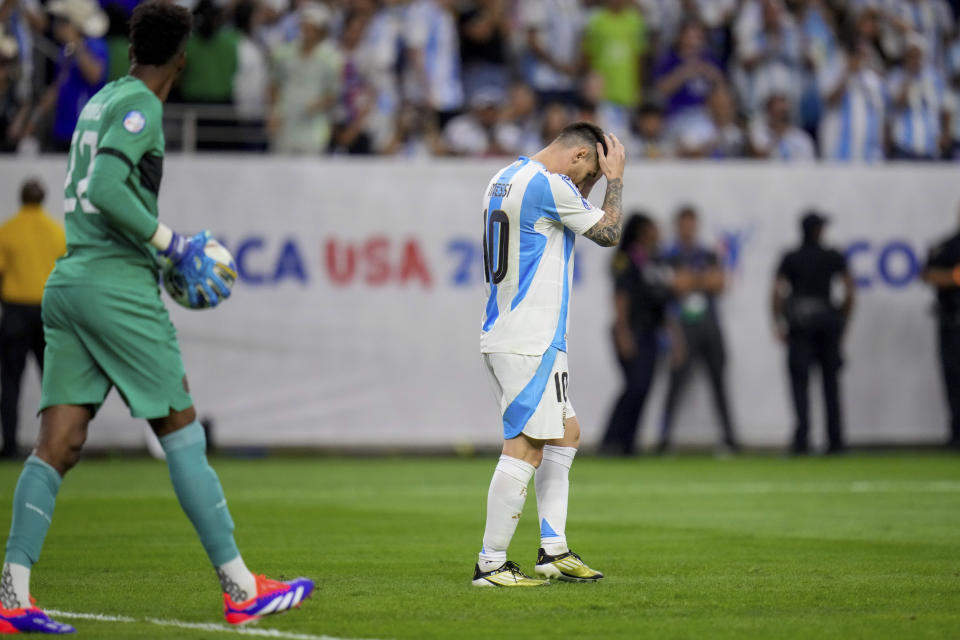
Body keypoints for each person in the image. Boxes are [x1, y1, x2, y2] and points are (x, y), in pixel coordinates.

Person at [0, 3, 313, 633]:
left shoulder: (104, 97)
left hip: (71, 281)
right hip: (116, 288)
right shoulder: (141, 108)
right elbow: (109, 189)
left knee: (58, 444)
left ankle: (12, 597)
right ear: (183, 58)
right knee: (180, 426)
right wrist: (170, 243)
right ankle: (240, 588)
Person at [474, 122, 625, 587]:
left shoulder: (505, 177)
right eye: (591, 173)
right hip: (529, 338)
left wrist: (593, 182)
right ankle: (491, 563)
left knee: (565, 433)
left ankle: (553, 550)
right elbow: (609, 232)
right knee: (526, 445)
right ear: (580, 155)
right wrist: (617, 180)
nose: (590, 185)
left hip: (517, 332)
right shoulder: (551, 185)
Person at [657, 206, 739, 454]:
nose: (689, 229)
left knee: (719, 382)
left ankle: (729, 439)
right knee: (675, 383)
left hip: (709, 326)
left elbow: (720, 282)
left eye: (692, 224)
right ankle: (664, 440)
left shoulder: (708, 253)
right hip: (683, 328)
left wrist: (691, 279)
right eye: (684, 224)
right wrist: (702, 279)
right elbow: (675, 285)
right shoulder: (668, 255)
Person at [601, 213, 684, 456]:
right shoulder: (625, 260)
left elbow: (663, 303)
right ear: (641, 232)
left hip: (651, 333)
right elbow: (621, 296)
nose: (658, 233)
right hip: (631, 331)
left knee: (644, 388)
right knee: (634, 386)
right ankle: (612, 439)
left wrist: (674, 336)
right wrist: (623, 331)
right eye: (652, 229)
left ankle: (629, 443)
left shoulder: (656, 262)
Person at [772, 211, 855, 455]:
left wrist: (778, 322)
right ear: (819, 230)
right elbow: (849, 289)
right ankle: (835, 440)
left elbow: (777, 292)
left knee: (800, 385)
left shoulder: (791, 257)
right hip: (827, 324)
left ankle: (802, 440)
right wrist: (842, 320)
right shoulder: (832, 256)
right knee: (830, 384)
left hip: (799, 325)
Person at [0, 179, 65, 460]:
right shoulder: (56, 232)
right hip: (47, 313)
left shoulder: (7, 231)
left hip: (14, 312)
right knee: (52, 385)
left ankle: (11, 446)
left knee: (11, 382)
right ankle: (56, 447)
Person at [268, 2, 342, 154]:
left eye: (311, 29)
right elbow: (274, 85)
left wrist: (317, 104)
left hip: (313, 126)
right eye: (303, 27)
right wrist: (273, 113)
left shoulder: (331, 59)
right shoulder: (282, 53)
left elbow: (333, 93)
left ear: (321, 32)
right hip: (285, 123)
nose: (306, 32)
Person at [921, 206, 960, 449]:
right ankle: (957, 433)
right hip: (952, 321)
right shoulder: (947, 246)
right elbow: (928, 274)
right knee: (953, 378)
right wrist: (954, 278)